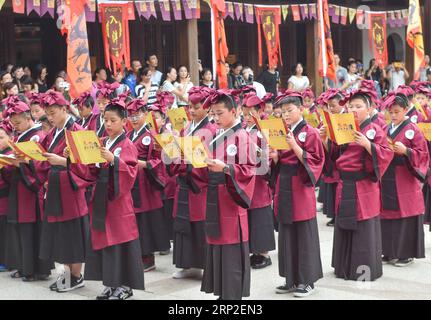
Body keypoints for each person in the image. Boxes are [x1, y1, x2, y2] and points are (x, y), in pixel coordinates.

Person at [66, 99, 144, 300]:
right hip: (100, 200)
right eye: (105, 120)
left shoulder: (127, 145)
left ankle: (124, 286)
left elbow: (130, 172)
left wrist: (114, 160)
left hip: (118, 201)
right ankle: (111, 283)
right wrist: (73, 156)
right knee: (106, 243)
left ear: (123, 121)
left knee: (120, 243)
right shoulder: (101, 142)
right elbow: (89, 170)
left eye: (113, 120)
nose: (108, 125)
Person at [326, 89, 393, 281]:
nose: (354, 110)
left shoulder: (375, 130)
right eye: (351, 106)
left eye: (359, 106)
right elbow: (335, 155)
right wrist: (326, 139)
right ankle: (343, 268)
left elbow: (386, 154)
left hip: (364, 185)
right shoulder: (344, 127)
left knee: (363, 227)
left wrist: (367, 144)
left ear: (370, 108)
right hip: (345, 182)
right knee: (344, 225)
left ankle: (363, 271)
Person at [200, 90, 256, 300]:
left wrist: (226, 169)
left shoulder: (243, 137)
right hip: (215, 196)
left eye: (220, 113)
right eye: (213, 114)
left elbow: (250, 170)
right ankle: (223, 295)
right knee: (217, 245)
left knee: (230, 248)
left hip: (231, 199)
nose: (215, 119)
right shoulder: (217, 135)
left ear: (234, 111)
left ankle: (232, 297)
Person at [270, 90, 325, 297]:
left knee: (303, 234)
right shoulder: (282, 131)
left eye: (289, 110)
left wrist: (295, 147)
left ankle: (307, 280)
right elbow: (279, 163)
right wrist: (274, 157)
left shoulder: (309, 132)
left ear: (301, 109)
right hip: (284, 185)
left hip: (301, 187)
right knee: (286, 234)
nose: (285, 114)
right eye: (283, 111)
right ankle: (291, 279)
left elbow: (316, 161)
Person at [35, 90, 91, 293]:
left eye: (53, 112)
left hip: (71, 188)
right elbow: (42, 155)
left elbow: (87, 163)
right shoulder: (53, 133)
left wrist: (63, 161)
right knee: (61, 234)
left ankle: (76, 276)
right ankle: (67, 275)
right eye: (47, 114)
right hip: (56, 186)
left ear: (64, 109)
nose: (49, 117)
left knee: (72, 232)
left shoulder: (76, 130)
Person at [3, 99, 53, 282]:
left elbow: (40, 165)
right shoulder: (21, 135)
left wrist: (22, 163)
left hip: (31, 189)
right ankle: (25, 266)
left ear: (28, 118)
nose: (15, 127)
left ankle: (36, 269)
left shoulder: (37, 136)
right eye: (13, 124)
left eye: (17, 123)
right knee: (21, 228)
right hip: (20, 186)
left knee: (32, 229)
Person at [169, 86, 216, 279]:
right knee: (184, 223)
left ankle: (206, 267)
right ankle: (186, 265)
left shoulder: (211, 129)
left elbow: (209, 159)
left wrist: (190, 160)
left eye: (196, 106)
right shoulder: (186, 128)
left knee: (200, 225)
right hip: (185, 182)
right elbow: (178, 151)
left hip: (199, 183)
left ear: (207, 108)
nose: (192, 110)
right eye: (190, 106)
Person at [380, 92, 428, 267]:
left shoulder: (413, 129)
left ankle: (406, 254)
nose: (393, 115)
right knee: (388, 214)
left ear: (405, 110)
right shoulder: (385, 129)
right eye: (390, 112)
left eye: (396, 112)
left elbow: (423, 155)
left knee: (405, 213)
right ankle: (388, 251)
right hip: (388, 175)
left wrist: (407, 151)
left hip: (405, 176)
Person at [125, 99, 170, 272]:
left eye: (137, 115)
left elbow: (160, 159)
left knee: (146, 221)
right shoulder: (128, 135)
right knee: (134, 220)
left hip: (145, 183)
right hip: (131, 180)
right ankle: (137, 255)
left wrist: (145, 164)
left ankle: (148, 257)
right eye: (131, 115)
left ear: (146, 115)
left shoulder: (151, 135)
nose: (134, 119)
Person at [242, 92, 275, 270]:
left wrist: (259, 153)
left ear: (259, 111)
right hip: (246, 178)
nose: (247, 118)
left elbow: (270, 154)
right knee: (249, 215)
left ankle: (263, 253)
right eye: (244, 114)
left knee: (260, 215)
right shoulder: (243, 129)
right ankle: (252, 250)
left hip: (260, 179)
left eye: (250, 114)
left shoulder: (265, 130)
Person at [0, 121, 13, 273]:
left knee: (4, 231)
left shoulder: (10, 155)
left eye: (2, 137)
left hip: (5, 198)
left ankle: (5, 260)